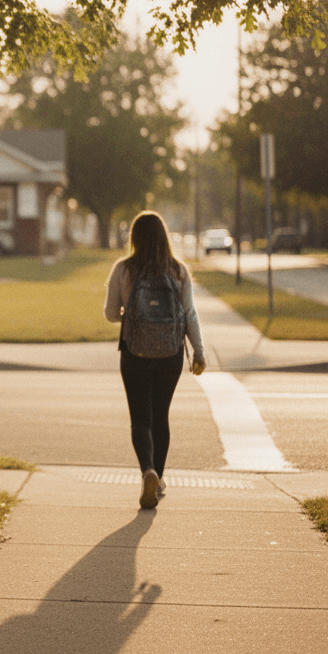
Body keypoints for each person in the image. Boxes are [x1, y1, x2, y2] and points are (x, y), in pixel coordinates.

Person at [103, 211, 206, 509]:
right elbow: (190, 315)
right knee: (161, 416)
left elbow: (111, 314)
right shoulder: (178, 270)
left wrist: (129, 313)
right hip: (170, 353)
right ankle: (158, 479)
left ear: (134, 237)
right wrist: (199, 351)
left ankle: (146, 470)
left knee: (140, 418)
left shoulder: (124, 269)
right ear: (164, 236)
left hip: (134, 351)